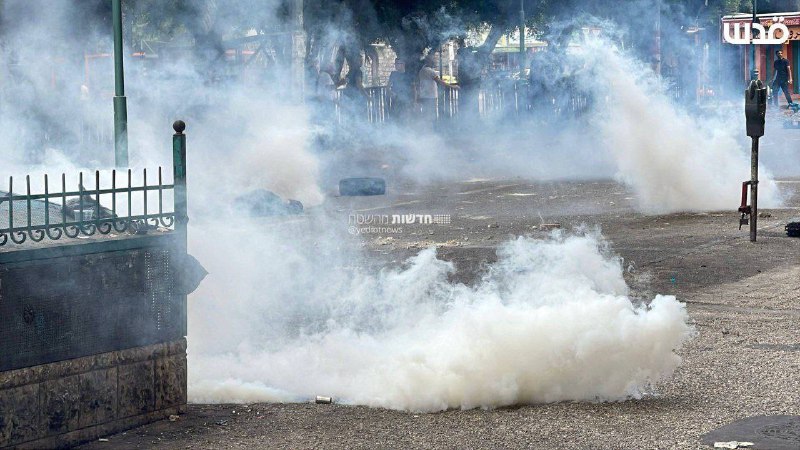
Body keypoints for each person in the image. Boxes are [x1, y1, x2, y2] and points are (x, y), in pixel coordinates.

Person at [417, 55, 459, 123]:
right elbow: (440, 82)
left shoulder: (421, 71)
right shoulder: (430, 71)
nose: (435, 62)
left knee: (425, 115)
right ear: (429, 62)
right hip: (430, 97)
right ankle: (431, 130)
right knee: (431, 115)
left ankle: (425, 130)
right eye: (433, 60)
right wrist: (453, 87)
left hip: (424, 96)